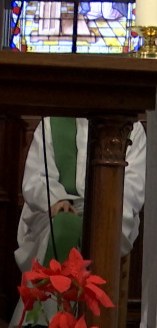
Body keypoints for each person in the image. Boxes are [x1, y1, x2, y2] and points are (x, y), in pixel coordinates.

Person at [12, 117, 146, 326]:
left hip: (110, 208)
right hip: (57, 209)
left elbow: (133, 186)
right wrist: (57, 199)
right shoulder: (52, 122)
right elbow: (36, 178)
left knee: (102, 230)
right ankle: (49, 321)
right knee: (62, 228)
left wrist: (104, 206)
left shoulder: (130, 125)